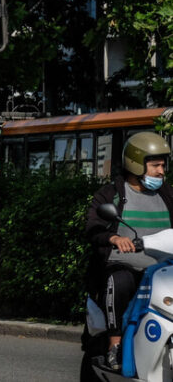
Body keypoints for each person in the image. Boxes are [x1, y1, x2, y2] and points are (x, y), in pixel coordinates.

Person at [85, 131, 173, 371]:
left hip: (164, 269)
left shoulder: (166, 193)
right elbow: (93, 227)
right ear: (136, 164)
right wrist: (113, 237)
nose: (161, 172)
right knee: (119, 281)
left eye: (163, 166)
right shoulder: (112, 193)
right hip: (126, 265)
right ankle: (115, 345)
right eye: (155, 165)